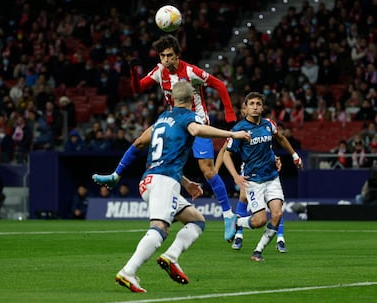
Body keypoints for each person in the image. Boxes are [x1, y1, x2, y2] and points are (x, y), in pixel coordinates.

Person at [99, 81, 249, 292]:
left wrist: (185, 182)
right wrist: (232, 134)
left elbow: (140, 144)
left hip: (150, 180)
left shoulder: (162, 119)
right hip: (163, 182)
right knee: (159, 228)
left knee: (197, 220)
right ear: (192, 100)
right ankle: (128, 272)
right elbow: (196, 129)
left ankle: (171, 257)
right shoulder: (189, 117)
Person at [93, 34, 239, 242]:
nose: (166, 60)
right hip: (173, 121)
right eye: (162, 56)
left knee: (207, 170)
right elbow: (137, 89)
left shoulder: (191, 71)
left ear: (177, 55)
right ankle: (115, 176)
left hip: (195, 121)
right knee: (140, 141)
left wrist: (229, 114)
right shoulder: (159, 70)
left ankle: (228, 215)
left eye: (169, 56)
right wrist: (134, 72)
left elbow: (220, 85)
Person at [222, 92, 303, 261]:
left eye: (258, 103)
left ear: (262, 107)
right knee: (259, 221)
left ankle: (257, 251)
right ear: (245, 107)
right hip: (254, 181)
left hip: (272, 178)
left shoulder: (268, 124)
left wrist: (294, 155)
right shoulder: (239, 129)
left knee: (277, 214)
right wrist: (236, 176)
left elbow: (280, 138)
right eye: (251, 103)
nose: (255, 107)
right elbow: (226, 155)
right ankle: (236, 222)